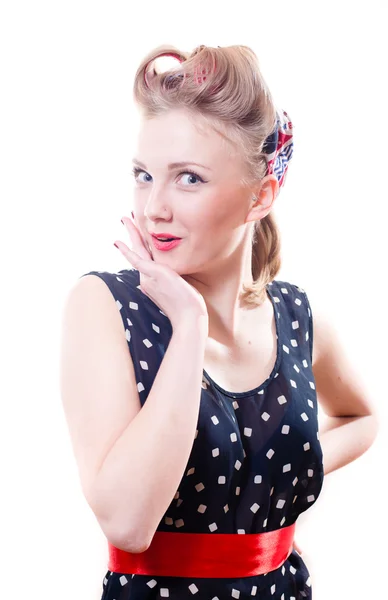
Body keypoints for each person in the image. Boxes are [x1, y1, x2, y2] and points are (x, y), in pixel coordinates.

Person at [60, 44, 379, 599]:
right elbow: (127, 523)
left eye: (188, 179)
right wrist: (189, 325)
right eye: (143, 175)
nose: (154, 206)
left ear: (261, 196)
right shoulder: (105, 306)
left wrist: (275, 491)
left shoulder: (295, 316)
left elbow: (363, 418)